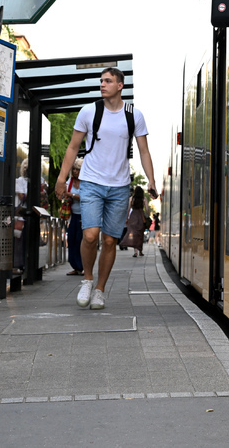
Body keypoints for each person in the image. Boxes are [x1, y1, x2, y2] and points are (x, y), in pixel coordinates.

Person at [55, 67, 157, 310]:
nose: (102, 84)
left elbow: (143, 150)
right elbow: (72, 147)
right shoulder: (89, 111)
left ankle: (100, 289)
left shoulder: (134, 115)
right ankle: (87, 280)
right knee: (90, 235)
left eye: (108, 81)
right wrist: (61, 178)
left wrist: (151, 180)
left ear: (120, 85)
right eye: (101, 80)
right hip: (91, 182)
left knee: (110, 240)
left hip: (120, 186)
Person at [64, 160, 84, 275]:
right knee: (71, 240)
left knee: (80, 240)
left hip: (84, 215)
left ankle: (82, 266)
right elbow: (64, 192)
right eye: (74, 169)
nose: (75, 171)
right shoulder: (70, 181)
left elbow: (84, 197)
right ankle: (76, 266)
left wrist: (71, 195)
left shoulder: (85, 182)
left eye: (78, 169)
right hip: (73, 215)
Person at [121, 186, 147, 257]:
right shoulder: (144, 199)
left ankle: (135, 252)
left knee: (134, 234)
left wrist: (127, 218)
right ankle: (140, 251)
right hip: (141, 217)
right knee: (140, 234)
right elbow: (147, 210)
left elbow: (128, 209)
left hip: (133, 217)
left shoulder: (131, 199)